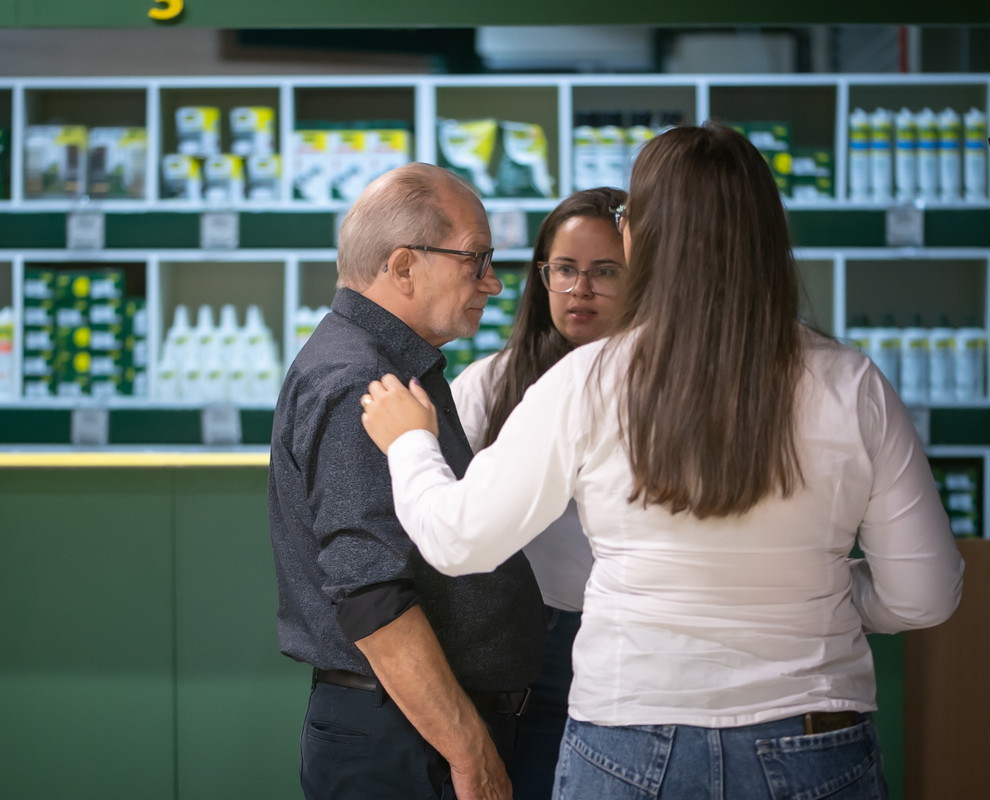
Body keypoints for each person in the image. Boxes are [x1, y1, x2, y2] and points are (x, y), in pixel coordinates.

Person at [359, 124, 965, 799]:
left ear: (643, 236)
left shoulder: (588, 381)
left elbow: (458, 540)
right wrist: (813, 585)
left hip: (629, 737)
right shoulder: (853, 386)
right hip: (813, 739)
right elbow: (924, 595)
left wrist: (409, 442)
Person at [268, 162, 547, 800]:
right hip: (410, 744)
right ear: (402, 267)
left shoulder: (391, 366)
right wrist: (471, 754)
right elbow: (373, 600)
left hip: (413, 734)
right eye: (475, 259)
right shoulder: (361, 383)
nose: (493, 282)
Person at [450, 187, 626, 800]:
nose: (581, 290)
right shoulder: (492, 383)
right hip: (530, 649)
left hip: (639, 641)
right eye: (565, 269)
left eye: (605, 271)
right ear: (541, 276)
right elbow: (444, 524)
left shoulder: (671, 391)